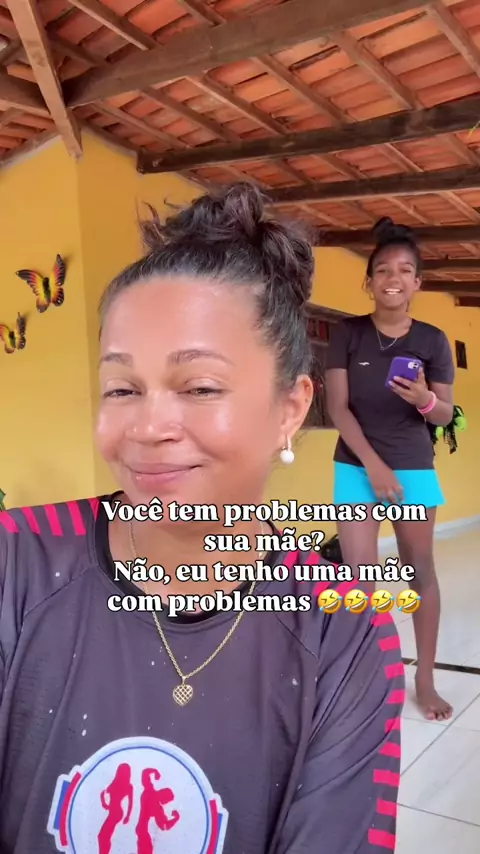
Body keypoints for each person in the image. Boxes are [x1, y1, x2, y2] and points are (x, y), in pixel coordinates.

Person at [0, 185, 404, 854]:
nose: (147, 427)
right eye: (122, 388)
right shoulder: (18, 561)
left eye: (200, 388)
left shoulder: (344, 628)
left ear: (290, 408)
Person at [325, 216, 454, 723]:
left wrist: (424, 399)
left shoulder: (434, 340)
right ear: (370, 281)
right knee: (358, 578)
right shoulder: (348, 333)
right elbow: (337, 408)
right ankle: (363, 676)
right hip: (356, 466)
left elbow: (445, 414)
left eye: (403, 270)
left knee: (419, 571)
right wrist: (374, 466)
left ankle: (424, 678)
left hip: (414, 467)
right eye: (382, 269)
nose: (392, 278)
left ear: (417, 282)